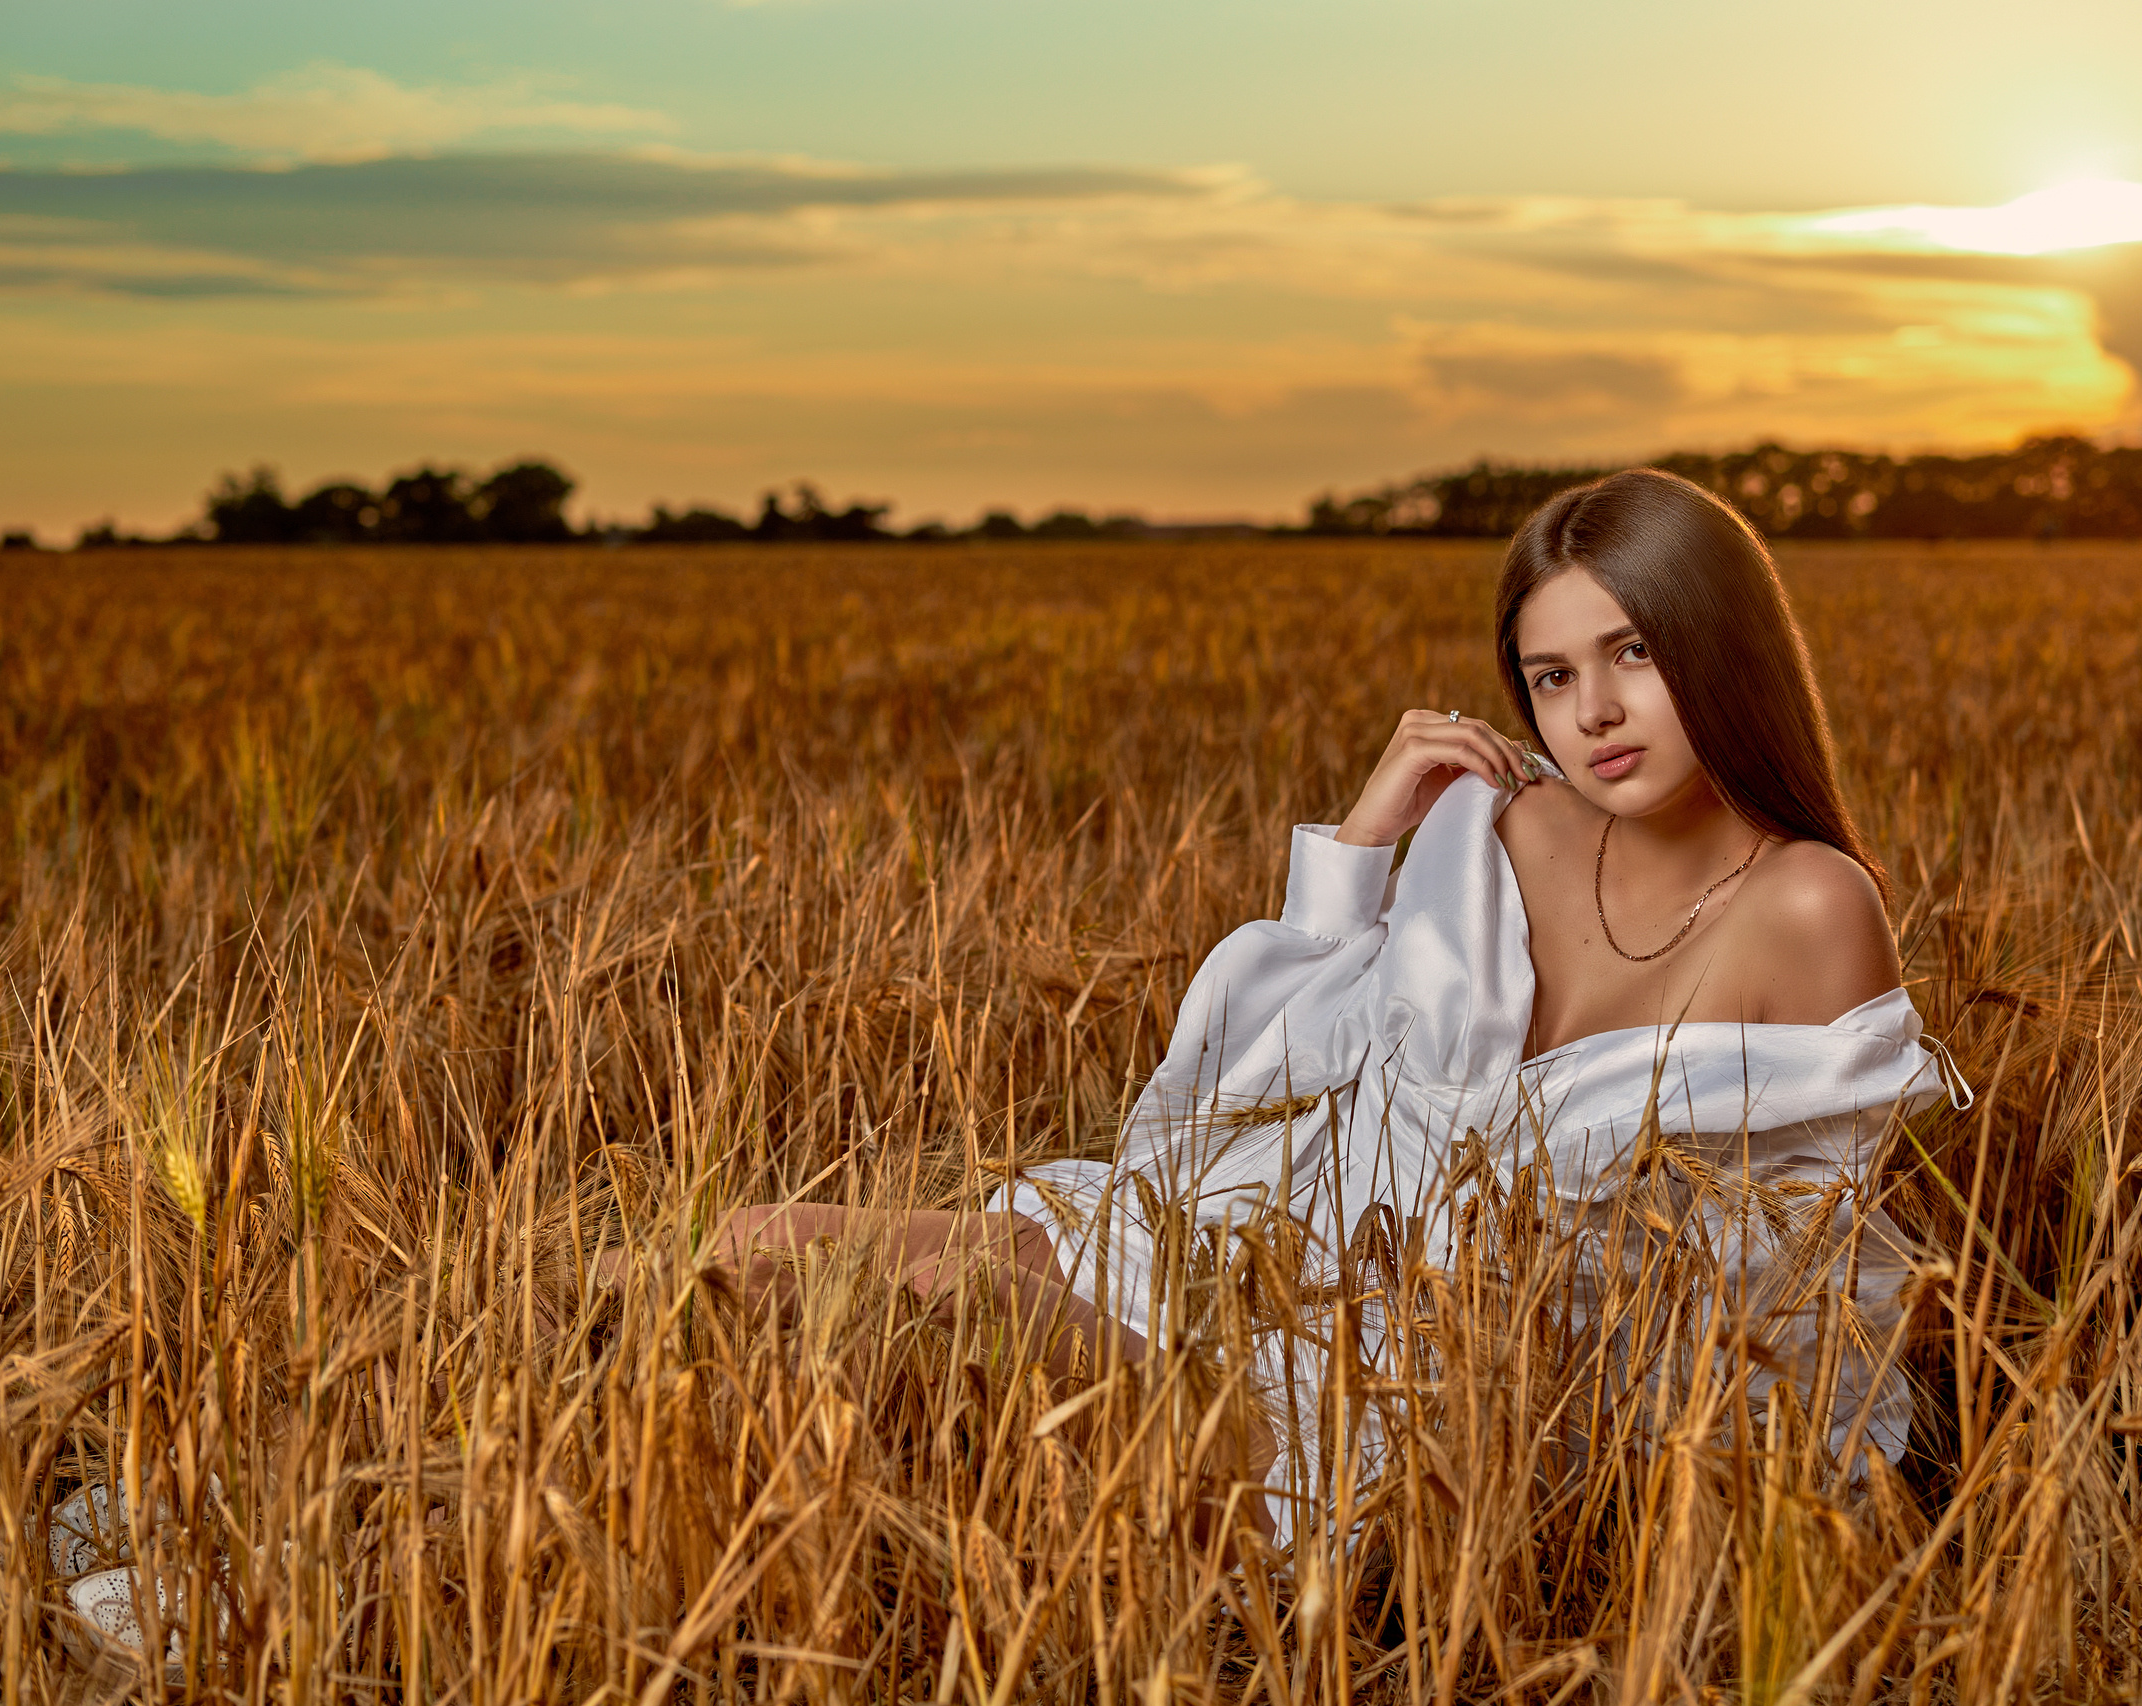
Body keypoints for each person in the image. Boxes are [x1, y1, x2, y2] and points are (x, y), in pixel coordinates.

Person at [638, 468, 1959, 1550]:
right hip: (1285, 1246)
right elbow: (1263, 1082)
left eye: (1632, 651)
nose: (1595, 711)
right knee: (765, 1243)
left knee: (944, 1306)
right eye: (1550, 676)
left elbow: (1788, 1279)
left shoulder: (1808, 906)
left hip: (1469, 1394)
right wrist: (1359, 846)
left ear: (1717, 646)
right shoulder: (1511, 827)